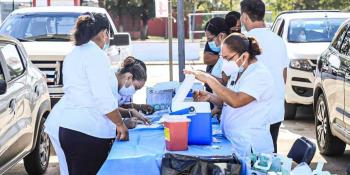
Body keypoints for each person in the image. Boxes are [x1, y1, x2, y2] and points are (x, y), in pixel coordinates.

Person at [44, 13, 129, 175]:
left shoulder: (74, 54)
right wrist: (120, 124)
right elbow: (102, 98)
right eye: (107, 36)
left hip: (69, 129)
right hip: (89, 132)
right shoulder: (96, 56)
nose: (107, 40)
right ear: (104, 33)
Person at [185, 33, 274, 157]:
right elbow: (227, 101)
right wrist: (210, 97)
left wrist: (208, 79)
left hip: (250, 145)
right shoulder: (237, 72)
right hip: (234, 141)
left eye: (227, 58)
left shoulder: (259, 75)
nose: (224, 62)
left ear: (244, 56)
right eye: (222, 58)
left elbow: (236, 101)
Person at [240, 0, 289, 153]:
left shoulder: (243, 41)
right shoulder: (278, 41)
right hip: (275, 109)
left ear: (245, 16)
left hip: (251, 112)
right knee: (270, 156)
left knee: (251, 158)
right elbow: (284, 74)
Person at [110, 56, 153, 128]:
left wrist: (139, 107)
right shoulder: (109, 83)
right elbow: (107, 109)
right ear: (129, 77)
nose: (134, 92)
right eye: (135, 87)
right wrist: (129, 114)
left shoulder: (122, 85)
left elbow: (124, 105)